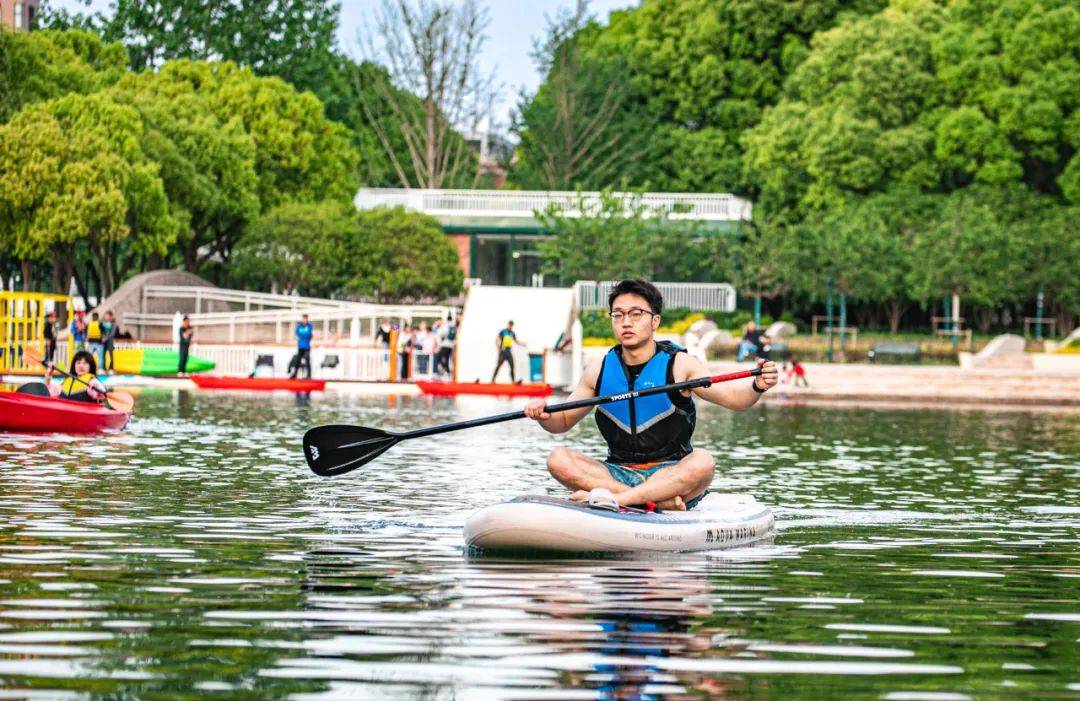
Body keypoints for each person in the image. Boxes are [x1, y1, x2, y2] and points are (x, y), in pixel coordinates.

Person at [524, 279, 778, 512]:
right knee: (558, 459)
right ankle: (654, 501)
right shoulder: (598, 370)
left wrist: (757, 386)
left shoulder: (681, 365)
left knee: (703, 462)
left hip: (671, 472)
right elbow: (563, 421)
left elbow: (735, 399)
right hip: (617, 472)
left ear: (655, 321)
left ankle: (621, 500)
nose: (626, 322)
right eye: (618, 315)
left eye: (636, 314)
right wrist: (543, 415)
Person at [15, 351, 107, 403]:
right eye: (78, 363)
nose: (81, 366)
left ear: (91, 366)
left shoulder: (92, 381)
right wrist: (48, 376)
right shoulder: (66, 381)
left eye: (85, 363)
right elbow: (48, 391)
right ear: (74, 366)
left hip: (85, 414)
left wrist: (97, 390)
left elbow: (100, 390)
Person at [291, 314, 314, 379]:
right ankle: (294, 374)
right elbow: (297, 334)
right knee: (297, 361)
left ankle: (309, 376)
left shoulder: (309, 326)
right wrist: (303, 335)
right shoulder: (299, 326)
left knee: (307, 361)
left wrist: (302, 335)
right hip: (300, 346)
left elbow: (308, 335)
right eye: (303, 318)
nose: (304, 320)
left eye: (305, 318)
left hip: (307, 347)